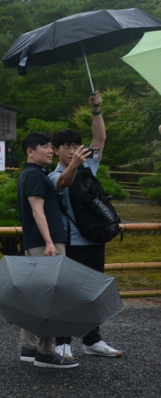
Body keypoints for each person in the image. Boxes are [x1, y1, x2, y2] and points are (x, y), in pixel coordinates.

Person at [50, 92, 122, 359]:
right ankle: (63, 341)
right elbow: (63, 185)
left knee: (94, 292)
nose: (71, 150)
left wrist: (96, 110)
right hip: (72, 243)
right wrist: (75, 165)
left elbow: (100, 139)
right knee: (68, 293)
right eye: (65, 147)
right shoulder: (53, 175)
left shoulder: (88, 165)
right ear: (56, 150)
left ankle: (93, 340)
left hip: (95, 238)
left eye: (74, 146)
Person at [16, 132, 77, 369]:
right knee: (52, 297)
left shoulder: (33, 174)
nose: (50, 150)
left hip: (37, 242)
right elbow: (37, 211)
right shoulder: (34, 175)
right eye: (44, 146)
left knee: (37, 296)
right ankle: (46, 352)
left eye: (51, 146)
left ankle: (29, 347)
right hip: (45, 243)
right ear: (30, 151)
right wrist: (50, 242)